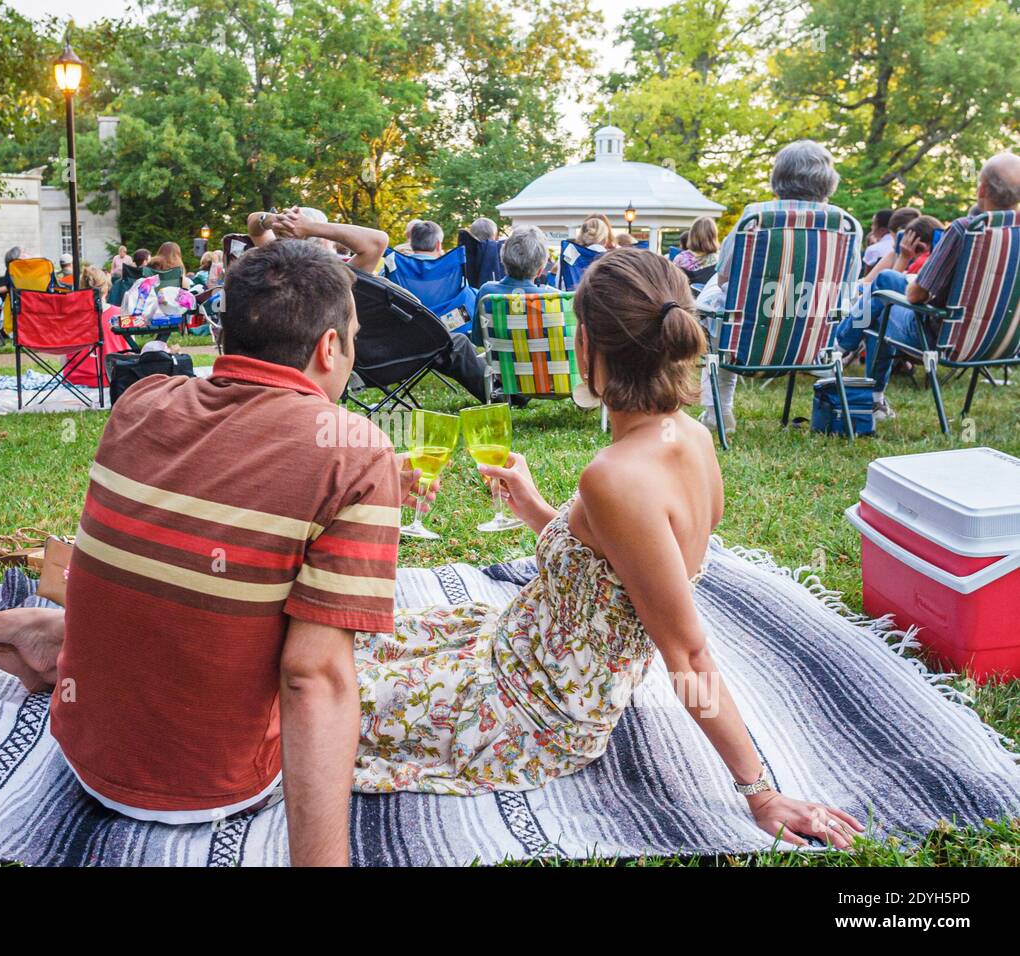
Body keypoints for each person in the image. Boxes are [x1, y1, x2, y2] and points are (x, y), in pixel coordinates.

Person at [0, 236, 436, 867]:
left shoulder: (142, 402)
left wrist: (377, 482)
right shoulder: (357, 451)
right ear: (329, 346)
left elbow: (232, 473)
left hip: (83, 748)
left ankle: (60, 639)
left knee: (170, 577)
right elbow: (313, 678)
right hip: (211, 787)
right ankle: (55, 637)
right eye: (354, 336)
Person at [354, 247, 865, 849]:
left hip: (535, 707)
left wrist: (761, 791)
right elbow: (618, 567)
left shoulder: (615, 475)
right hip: (517, 644)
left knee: (329, 694)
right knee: (364, 638)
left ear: (591, 345)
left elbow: (690, 655)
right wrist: (538, 511)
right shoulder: (692, 438)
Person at [837, 152, 1020, 420]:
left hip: (943, 338)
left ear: (981, 189)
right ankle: (846, 356)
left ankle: (842, 355)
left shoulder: (965, 230)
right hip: (1002, 343)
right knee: (886, 285)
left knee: (882, 300)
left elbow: (916, 294)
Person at [695, 139, 861, 434]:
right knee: (729, 307)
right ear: (828, 182)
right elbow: (846, 286)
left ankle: (719, 412)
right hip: (811, 342)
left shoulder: (757, 218)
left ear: (778, 177)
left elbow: (724, 279)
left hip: (747, 341)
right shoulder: (846, 225)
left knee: (715, 298)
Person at [271, 208, 491, 402]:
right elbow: (377, 240)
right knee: (457, 343)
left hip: (356, 364)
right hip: (387, 358)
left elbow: (254, 226)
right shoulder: (338, 277)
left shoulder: (282, 281)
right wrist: (311, 227)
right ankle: (503, 395)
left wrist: (281, 223)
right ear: (321, 238)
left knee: (450, 344)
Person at [830, 214, 943, 381]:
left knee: (882, 297)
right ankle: (873, 396)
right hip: (950, 338)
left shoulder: (926, 262)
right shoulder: (944, 260)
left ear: (921, 244)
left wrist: (904, 257)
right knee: (876, 307)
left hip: (923, 332)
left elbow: (906, 293)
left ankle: (839, 347)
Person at [474, 225, 558, 317]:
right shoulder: (553, 299)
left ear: (503, 260)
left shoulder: (487, 293)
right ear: (540, 271)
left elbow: (478, 331)